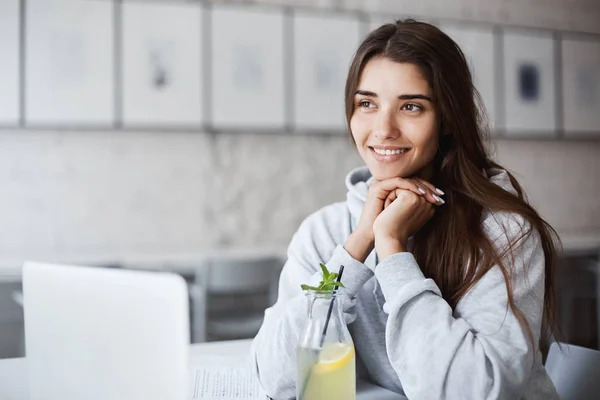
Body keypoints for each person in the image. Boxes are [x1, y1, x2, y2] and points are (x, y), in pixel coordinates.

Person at [250, 19, 560, 399]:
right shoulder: (326, 231)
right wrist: (358, 246)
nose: (383, 129)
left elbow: (475, 392)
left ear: (446, 120)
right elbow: (274, 376)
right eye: (367, 104)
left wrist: (392, 248)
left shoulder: (503, 230)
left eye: (411, 107)